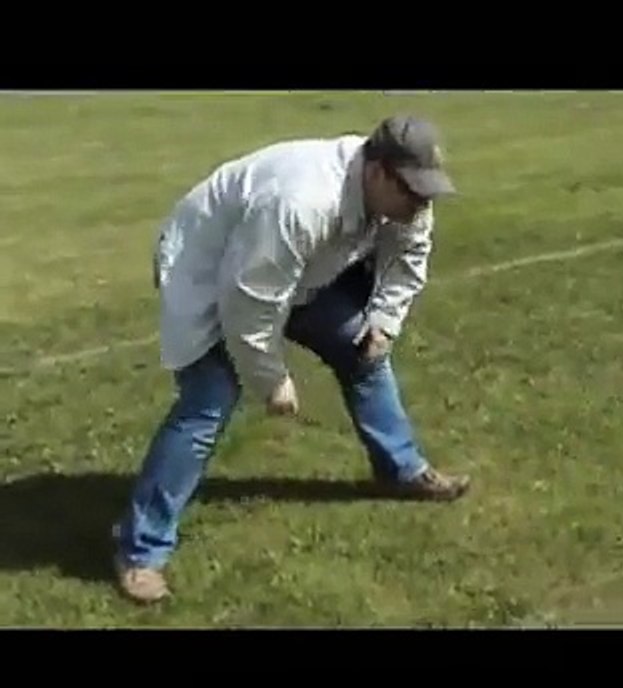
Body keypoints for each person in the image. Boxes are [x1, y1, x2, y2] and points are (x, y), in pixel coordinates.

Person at [112, 115, 470, 604]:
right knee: (209, 399)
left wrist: (384, 321)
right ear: (378, 172)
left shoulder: (406, 198)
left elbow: (409, 255)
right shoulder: (301, 201)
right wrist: (271, 380)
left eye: (427, 192)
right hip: (205, 271)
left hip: (296, 274)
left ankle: (402, 471)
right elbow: (249, 303)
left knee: (363, 352)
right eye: (412, 192)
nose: (420, 204)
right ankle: (140, 551)